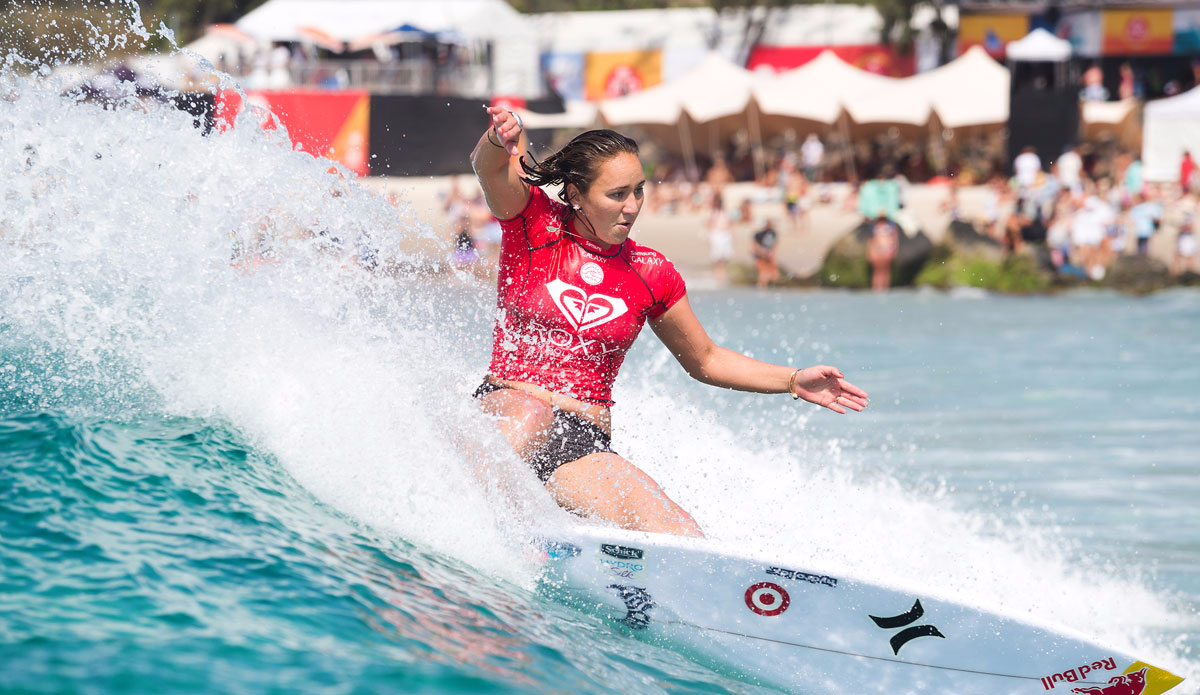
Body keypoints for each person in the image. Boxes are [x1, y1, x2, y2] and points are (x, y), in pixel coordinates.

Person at [470, 108, 869, 538]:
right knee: (531, 414)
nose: (632, 207)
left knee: (674, 528)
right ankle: (482, 532)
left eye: (638, 191)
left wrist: (792, 380)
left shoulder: (650, 272)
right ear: (576, 194)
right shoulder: (535, 226)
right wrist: (498, 140)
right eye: (617, 194)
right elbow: (488, 168)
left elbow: (707, 359)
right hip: (509, 410)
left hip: (580, 442)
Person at [866, 217, 898, 292]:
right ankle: (876, 288)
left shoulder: (891, 227)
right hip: (877, 250)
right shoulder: (874, 227)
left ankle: (885, 288)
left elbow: (894, 239)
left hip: (887, 250)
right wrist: (870, 252)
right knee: (877, 271)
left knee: (885, 270)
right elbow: (871, 240)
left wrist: (894, 250)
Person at [752, 219, 780, 289]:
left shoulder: (773, 233)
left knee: (774, 275)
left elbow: (775, 245)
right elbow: (755, 246)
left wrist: (772, 253)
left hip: (769, 255)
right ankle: (762, 286)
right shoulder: (758, 234)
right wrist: (762, 252)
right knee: (763, 273)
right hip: (761, 255)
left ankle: (765, 286)